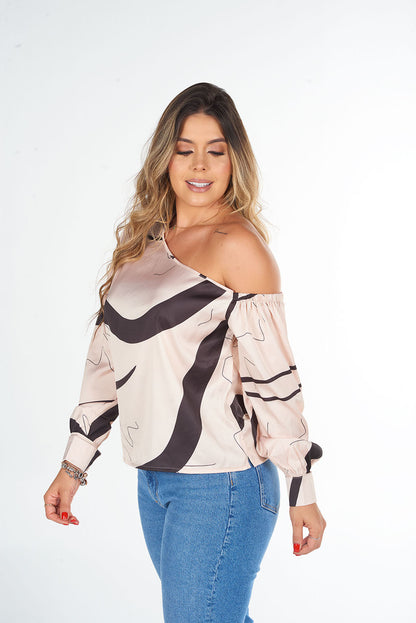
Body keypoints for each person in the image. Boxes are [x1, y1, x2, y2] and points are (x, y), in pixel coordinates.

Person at [44, 82, 326, 623]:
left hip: (222, 487)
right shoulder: (143, 242)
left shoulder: (238, 247)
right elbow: (105, 366)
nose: (199, 165)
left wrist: (302, 489)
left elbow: (275, 384)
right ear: (165, 159)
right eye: (184, 149)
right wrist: (73, 466)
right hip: (153, 481)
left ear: (234, 159)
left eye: (215, 150)